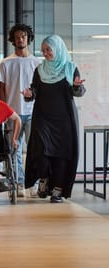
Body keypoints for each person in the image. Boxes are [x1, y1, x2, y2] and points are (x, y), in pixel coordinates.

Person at [22, 34, 86, 203]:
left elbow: (79, 91)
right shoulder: (40, 69)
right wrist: (29, 95)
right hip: (42, 117)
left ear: (57, 49)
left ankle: (58, 189)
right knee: (41, 150)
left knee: (61, 154)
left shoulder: (70, 68)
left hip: (64, 119)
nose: (45, 53)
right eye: (43, 50)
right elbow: (34, 90)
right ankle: (43, 179)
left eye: (48, 50)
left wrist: (77, 87)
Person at [0, 24, 41, 198]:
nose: (20, 39)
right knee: (13, 150)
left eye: (23, 36)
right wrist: (2, 112)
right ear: (13, 40)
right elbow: (2, 90)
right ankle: (19, 183)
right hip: (12, 113)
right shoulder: (6, 63)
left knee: (34, 149)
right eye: (17, 37)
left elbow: (40, 89)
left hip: (32, 113)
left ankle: (34, 183)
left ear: (28, 38)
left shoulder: (37, 63)